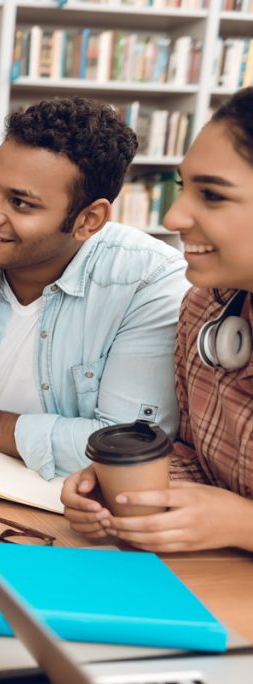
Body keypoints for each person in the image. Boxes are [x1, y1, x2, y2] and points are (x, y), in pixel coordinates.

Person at [0, 97, 190, 479]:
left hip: (59, 511)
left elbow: (129, 448)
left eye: (21, 203)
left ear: (88, 219)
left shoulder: (149, 283)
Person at [61, 88, 253, 553]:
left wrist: (245, 525)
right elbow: (199, 461)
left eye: (212, 194)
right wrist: (121, 482)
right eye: (183, 187)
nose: (173, 215)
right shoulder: (204, 306)